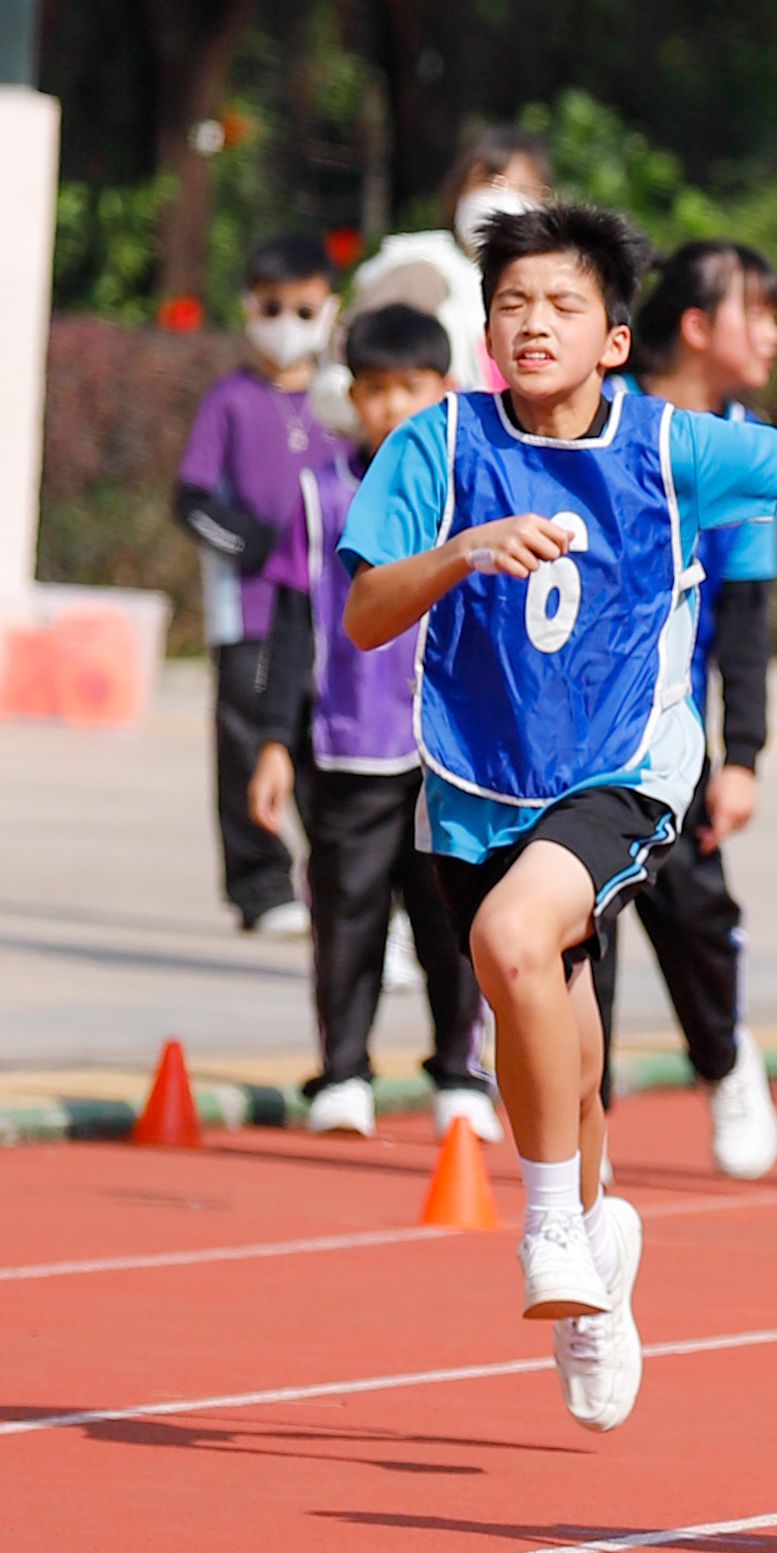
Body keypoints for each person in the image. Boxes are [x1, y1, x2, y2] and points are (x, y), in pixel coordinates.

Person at [339, 201, 777, 1433]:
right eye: (512, 304)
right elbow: (365, 616)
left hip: (625, 761)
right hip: (477, 775)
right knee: (555, 1031)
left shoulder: (670, 445)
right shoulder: (437, 444)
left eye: (562, 305)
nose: (534, 324)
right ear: (486, 331)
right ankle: (598, 1255)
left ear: (615, 339)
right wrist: (463, 552)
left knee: (513, 942)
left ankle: (551, 1227)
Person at [256, 304, 491, 1142]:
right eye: (376, 389)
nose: (393, 406)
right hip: (347, 748)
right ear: (351, 395)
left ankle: (459, 1073)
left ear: (447, 389)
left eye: (411, 388)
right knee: (346, 918)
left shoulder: (476, 496)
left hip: (454, 754)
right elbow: (291, 628)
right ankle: (343, 1071)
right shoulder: (321, 497)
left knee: (453, 923)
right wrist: (274, 741)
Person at [586, 239, 777, 1179]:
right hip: (577, 724)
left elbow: (745, 617)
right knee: (582, 926)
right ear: (699, 325)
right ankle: (584, 1121)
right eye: (760, 312)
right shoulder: (605, 414)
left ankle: (724, 1058)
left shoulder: (743, 444)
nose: (775, 333)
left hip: (673, 729)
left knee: (695, 914)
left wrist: (741, 753)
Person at [177, 230, 352, 937]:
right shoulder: (229, 400)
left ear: (330, 310)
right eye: (273, 308)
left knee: (323, 746)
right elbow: (191, 498)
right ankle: (260, 883)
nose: (288, 325)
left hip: (331, 611)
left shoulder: (344, 403)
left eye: (304, 311)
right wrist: (253, 545)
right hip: (249, 609)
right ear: (250, 306)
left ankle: (339, 879)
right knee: (245, 742)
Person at [338, 126, 551, 409]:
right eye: (489, 182)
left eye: (523, 189)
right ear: (457, 191)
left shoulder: (552, 280)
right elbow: (351, 362)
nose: (504, 197)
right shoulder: (421, 267)